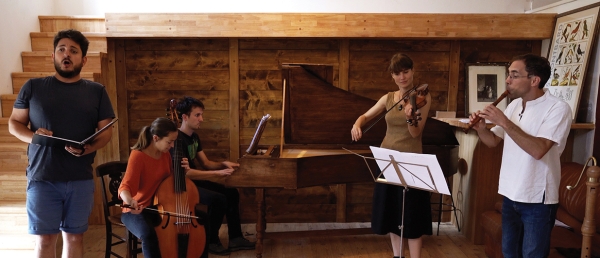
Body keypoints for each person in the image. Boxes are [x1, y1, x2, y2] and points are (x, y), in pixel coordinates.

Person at [8, 29, 114, 258]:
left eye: (74, 51)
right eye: (61, 49)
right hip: (42, 178)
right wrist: (36, 137)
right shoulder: (33, 87)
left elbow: (107, 131)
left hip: (80, 178)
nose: (67, 54)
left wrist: (90, 147)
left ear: (83, 59)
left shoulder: (97, 91)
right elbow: (14, 124)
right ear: (53, 56)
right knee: (45, 241)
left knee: (74, 238)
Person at [468, 54, 572, 258]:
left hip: (537, 198)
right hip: (510, 193)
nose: (507, 80)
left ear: (534, 80)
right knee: (509, 253)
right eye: (509, 75)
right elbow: (492, 142)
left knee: (532, 254)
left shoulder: (558, 108)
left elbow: (538, 150)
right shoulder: (514, 105)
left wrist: (504, 122)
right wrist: (481, 129)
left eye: (514, 75)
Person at [350, 53, 432, 258]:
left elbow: (415, 133)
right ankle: (398, 256)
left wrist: (409, 117)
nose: (402, 77)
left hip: (411, 161)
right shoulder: (388, 98)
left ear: (412, 71)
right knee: (393, 213)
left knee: (411, 215)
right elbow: (366, 115)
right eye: (397, 73)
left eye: (406, 72)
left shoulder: (422, 97)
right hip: (387, 161)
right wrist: (357, 124)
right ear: (392, 76)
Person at [174, 96, 255, 255]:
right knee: (218, 199)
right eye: (197, 115)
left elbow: (205, 163)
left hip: (195, 180)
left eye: (201, 115)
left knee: (231, 193)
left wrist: (223, 163)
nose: (201, 119)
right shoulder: (177, 140)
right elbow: (186, 173)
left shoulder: (194, 137)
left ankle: (236, 238)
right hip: (184, 184)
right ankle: (210, 240)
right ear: (184, 117)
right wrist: (217, 173)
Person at [119, 117, 193, 258]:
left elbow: (170, 181)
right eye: (169, 141)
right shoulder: (138, 156)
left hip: (159, 207)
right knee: (148, 234)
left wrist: (182, 171)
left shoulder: (165, 155)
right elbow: (124, 187)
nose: (172, 146)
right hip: (136, 209)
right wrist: (130, 201)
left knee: (200, 220)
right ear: (155, 138)